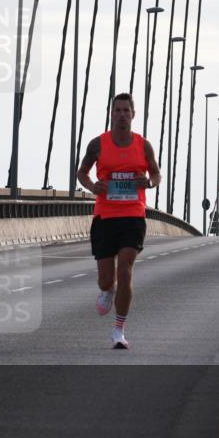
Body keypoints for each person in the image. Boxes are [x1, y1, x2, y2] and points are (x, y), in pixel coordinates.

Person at [77, 93, 161, 350]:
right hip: (105, 216)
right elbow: (82, 173)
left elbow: (156, 174)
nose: (122, 115)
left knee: (125, 269)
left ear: (133, 115)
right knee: (106, 279)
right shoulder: (98, 144)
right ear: (112, 114)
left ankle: (119, 330)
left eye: (126, 110)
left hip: (133, 215)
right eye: (118, 110)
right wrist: (93, 186)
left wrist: (148, 182)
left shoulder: (143, 146)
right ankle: (107, 290)